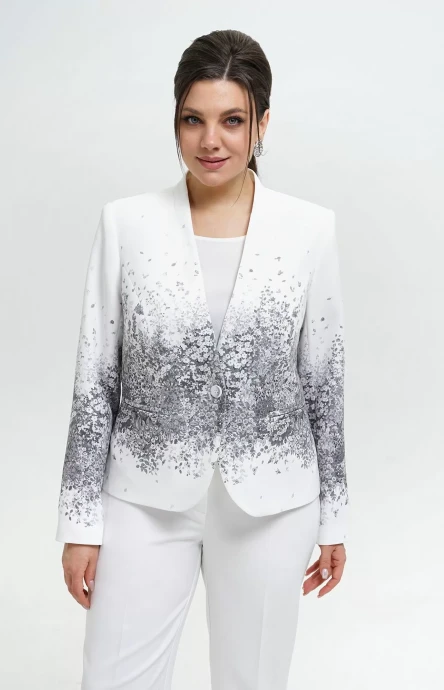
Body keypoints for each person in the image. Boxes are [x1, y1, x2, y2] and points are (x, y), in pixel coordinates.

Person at [56, 29, 349, 690]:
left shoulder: (310, 230)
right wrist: (80, 523)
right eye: (193, 119)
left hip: (272, 503)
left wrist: (334, 517)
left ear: (262, 124)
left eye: (232, 120)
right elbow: (96, 380)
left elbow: (323, 382)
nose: (210, 140)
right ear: (176, 123)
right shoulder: (127, 224)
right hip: (143, 496)